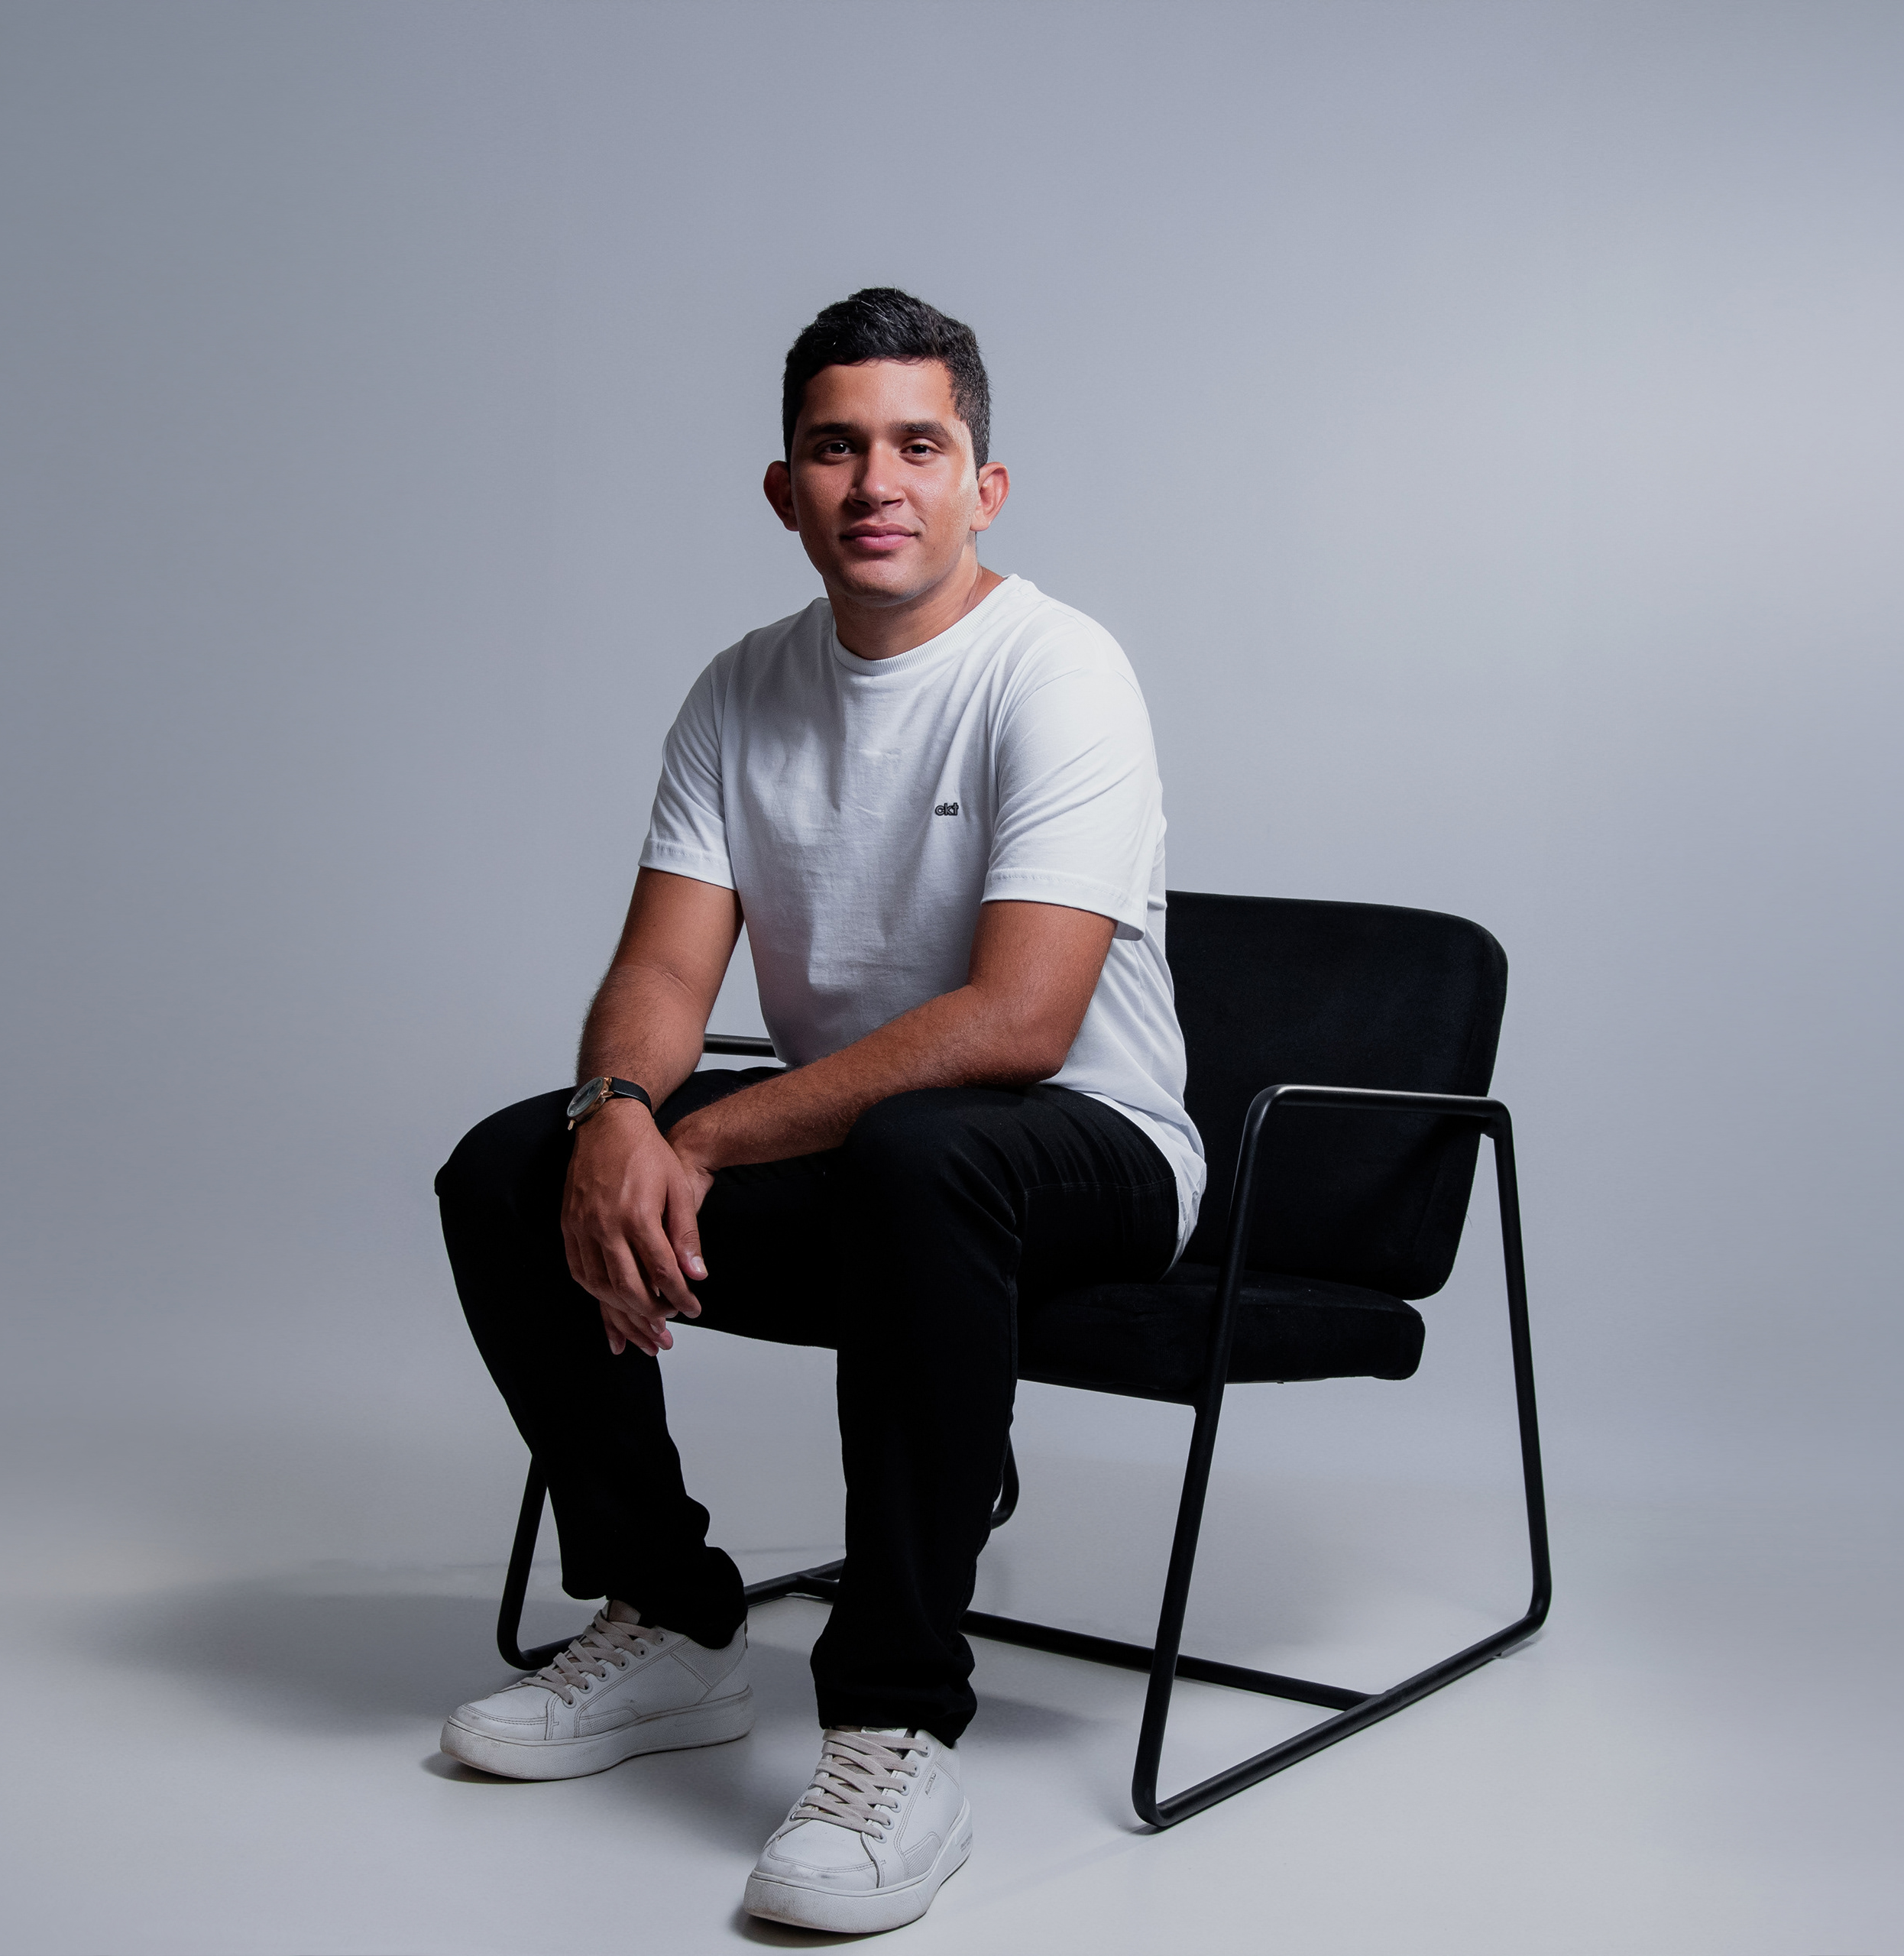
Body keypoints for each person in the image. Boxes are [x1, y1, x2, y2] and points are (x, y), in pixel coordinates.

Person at [432, 287, 1201, 1935]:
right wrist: (618, 1111)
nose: (878, 482)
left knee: (926, 1153)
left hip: (1097, 1145)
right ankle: (675, 1616)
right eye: (838, 448)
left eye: (920, 445)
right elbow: (662, 964)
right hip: (870, 1153)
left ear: (985, 485)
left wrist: (701, 1135)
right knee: (510, 1166)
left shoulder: (1058, 669)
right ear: (785, 489)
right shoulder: (740, 690)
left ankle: (895, 1725)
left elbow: (1020, 1021)